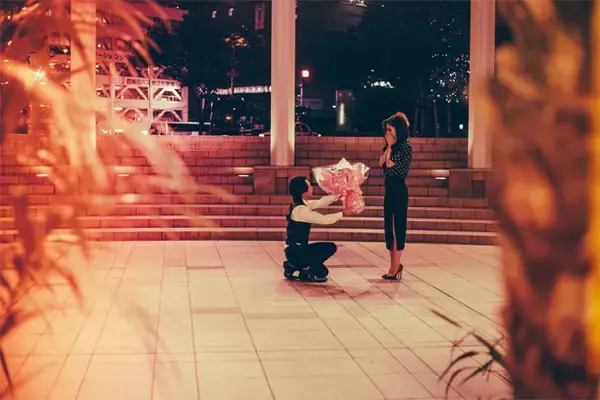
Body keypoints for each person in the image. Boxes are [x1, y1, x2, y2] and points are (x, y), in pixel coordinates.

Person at [283, 176, 354, 282]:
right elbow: (324, 219)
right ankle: (303, 269)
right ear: (303, 192)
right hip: (295, 251)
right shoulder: (300, 210)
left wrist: (338, 194)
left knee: (329, 247)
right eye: (309, 186)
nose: (312, 187)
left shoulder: (300, 204)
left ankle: (293, 265)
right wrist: (343, 214)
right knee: (322, 272)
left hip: (295, 250)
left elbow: (321, 202)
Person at [379, 112, 413, 280]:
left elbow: (392, 166)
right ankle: (394, 265)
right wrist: (389, 147)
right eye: (386, 130)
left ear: (398, 130)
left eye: (390, 130)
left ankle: (395, 268)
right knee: (389, 230)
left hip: (399, 190)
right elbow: (382, 162)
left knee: (397, 228)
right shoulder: (389, 147)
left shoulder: (405, 146)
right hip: (389, 190)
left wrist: (391, 148)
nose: (387, 133)